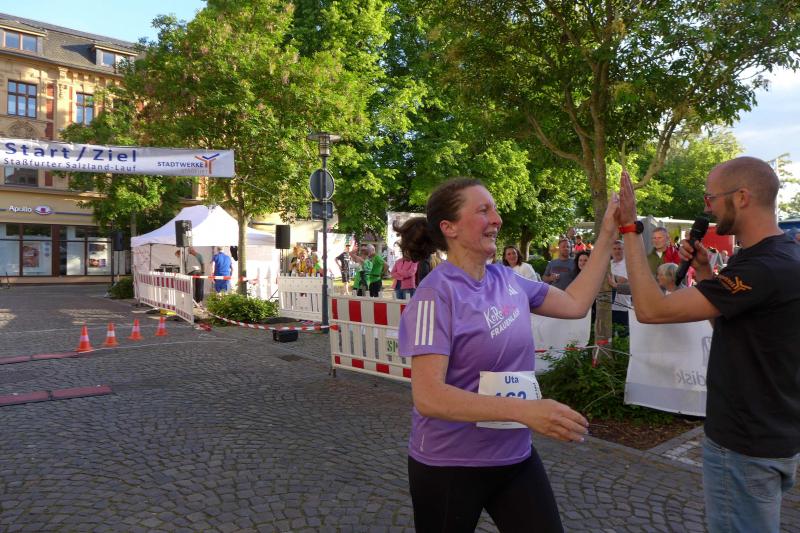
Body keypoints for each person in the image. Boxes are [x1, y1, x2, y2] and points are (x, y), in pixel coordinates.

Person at [396, 177, 619, 532]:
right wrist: (526, 411)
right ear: (449, 227)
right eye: (483, 210)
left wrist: (606, 233)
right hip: (449, 463)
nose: (497, 219)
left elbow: (575, 303)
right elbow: (429, 396)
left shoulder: (508, 279)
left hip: (514, 456)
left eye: (495, 210)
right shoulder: (434, 295)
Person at [616, 158, 800, 533]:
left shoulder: (761, 267)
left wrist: (630, 229)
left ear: (742, 197)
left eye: (711, 198)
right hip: (770, 434)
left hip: (745, 444)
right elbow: (731, 325)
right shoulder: (779, 254)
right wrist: (703, 272)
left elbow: (651, 310)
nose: (707, 208)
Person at [607, 240, 631, 336]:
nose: (617, 251)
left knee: (623, 337)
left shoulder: (629, 265)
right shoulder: (608, 264)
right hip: (608, 307)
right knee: (609, 335)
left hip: (623, 307)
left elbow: (624, 280)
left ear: (624, 250)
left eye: (620, 249)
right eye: (615, 249)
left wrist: (609, 276)